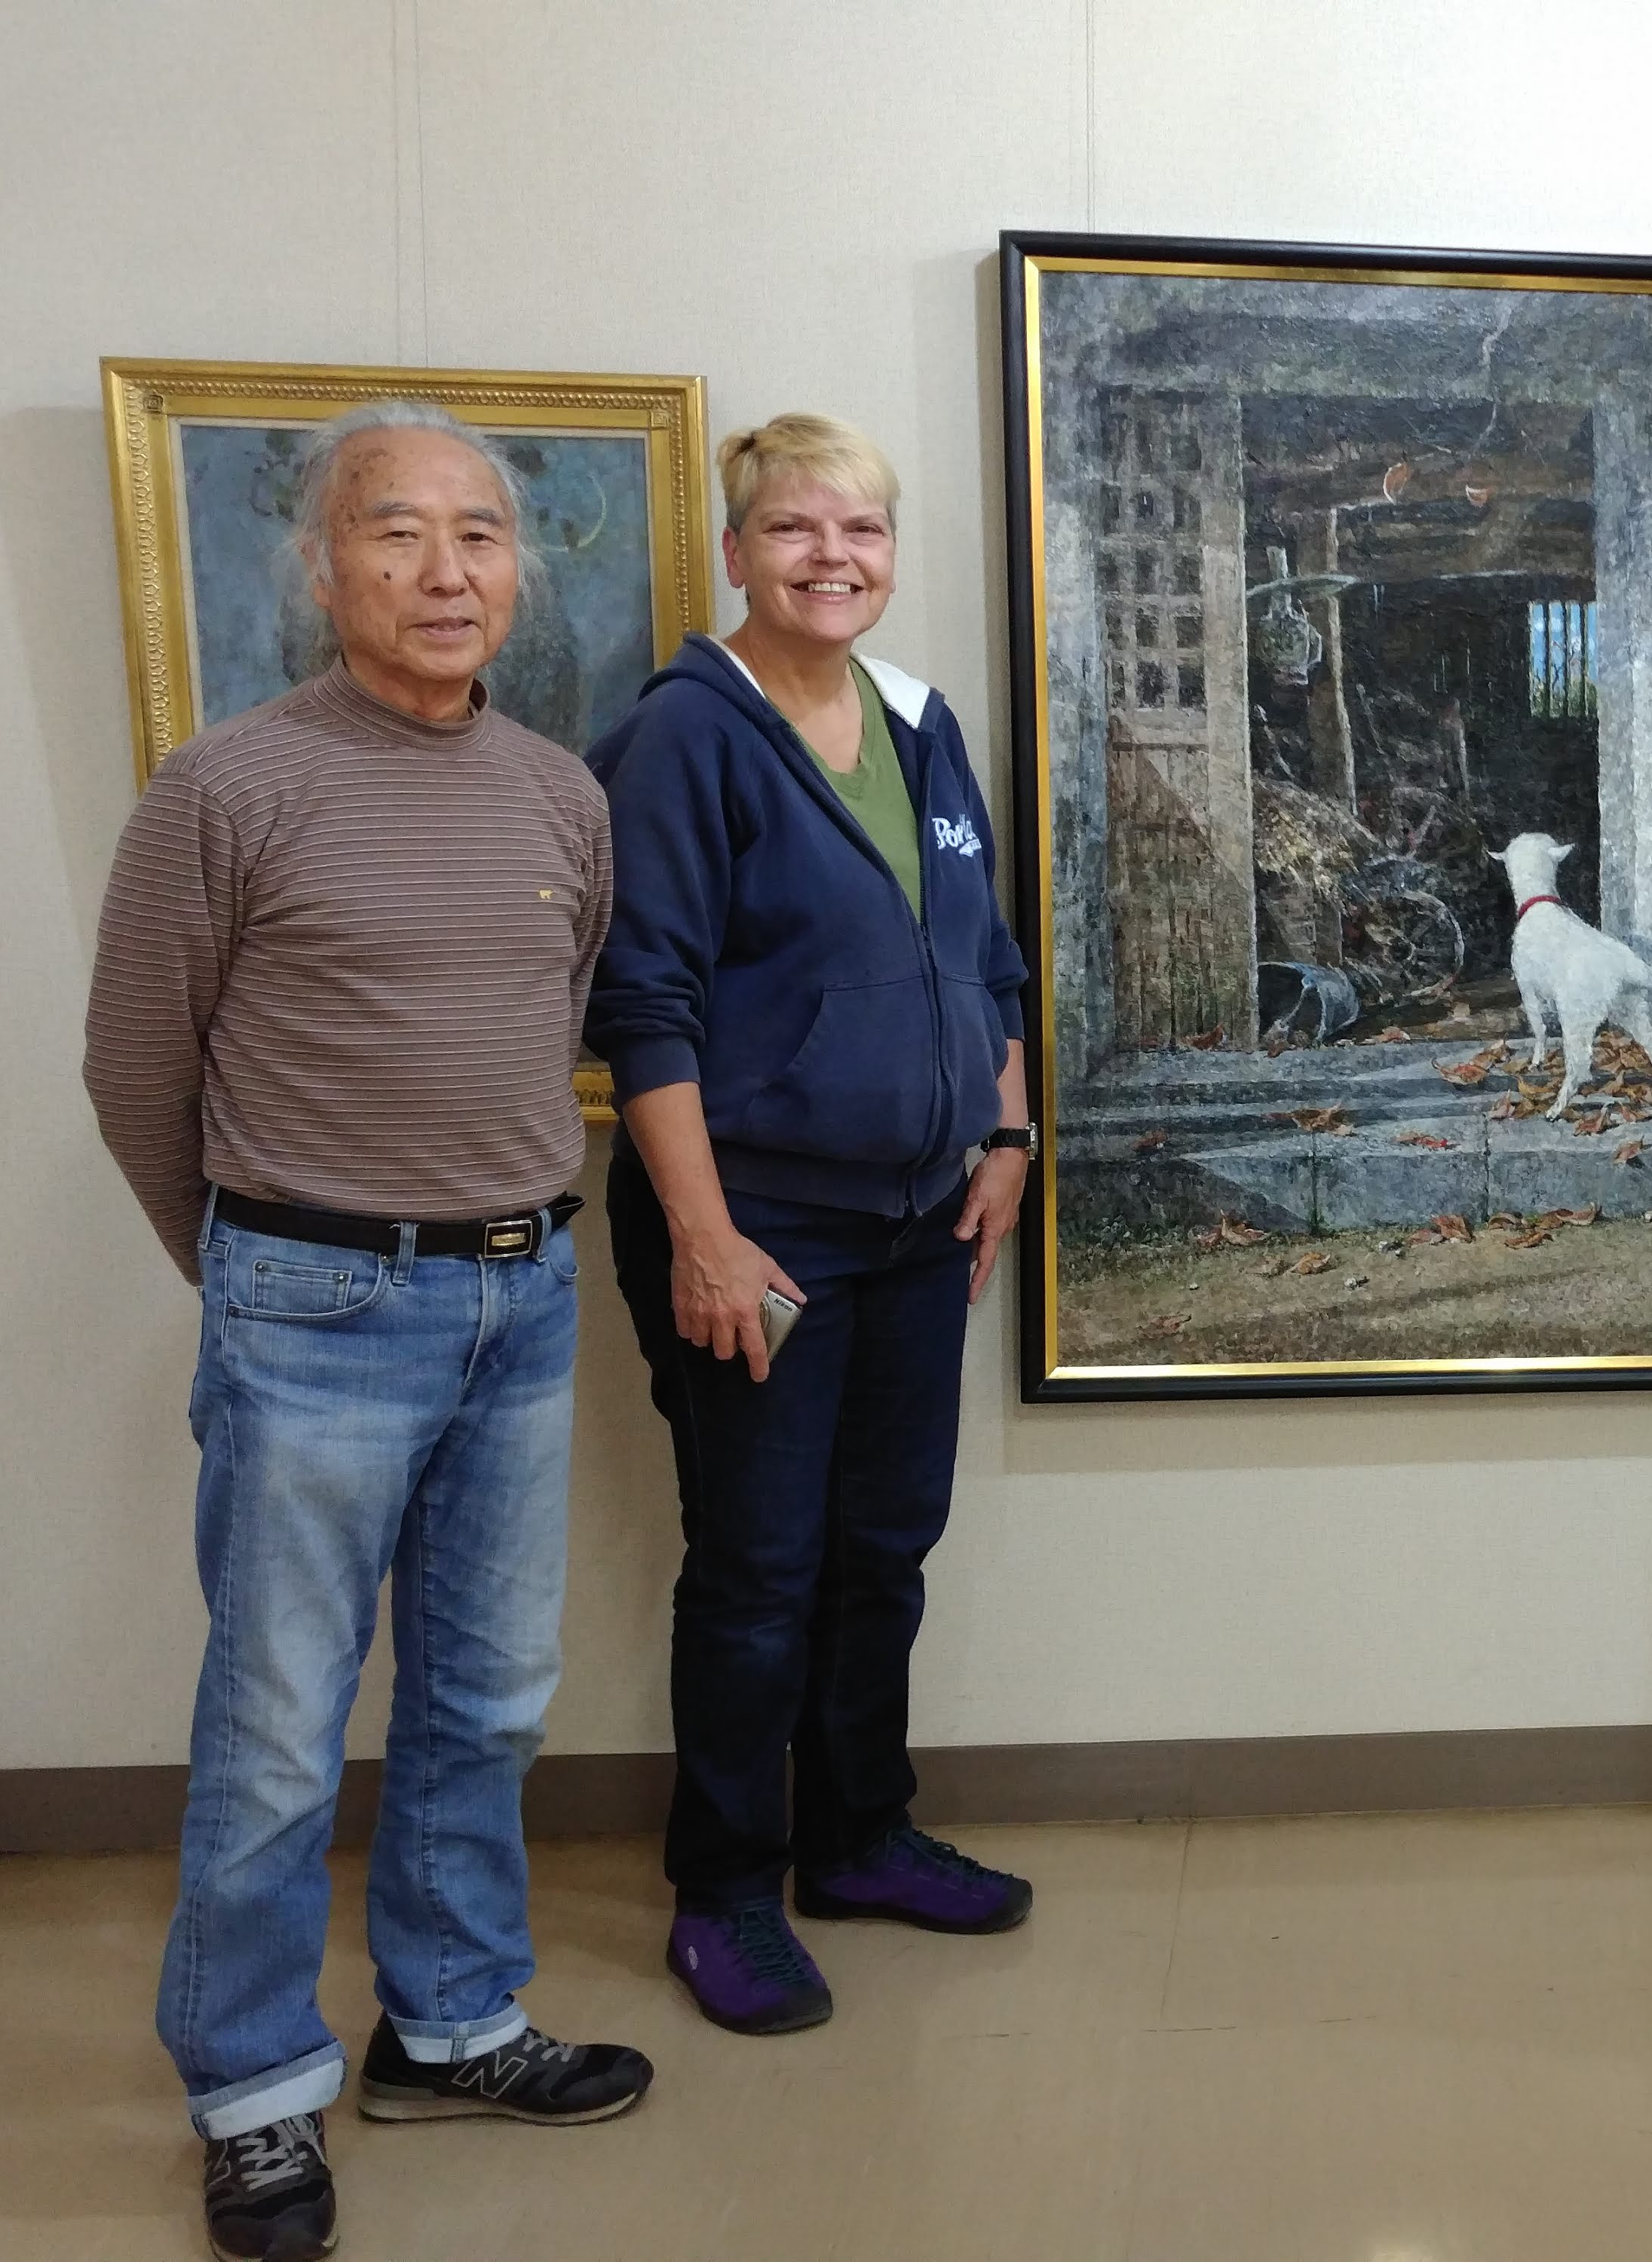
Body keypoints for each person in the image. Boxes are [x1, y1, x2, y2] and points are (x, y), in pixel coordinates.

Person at [85, 400, 653, 2262]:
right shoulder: (226, 789)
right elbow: (134, 1072)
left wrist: (465, 1258)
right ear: (321, 568)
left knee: (487, 1697)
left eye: (479, 535)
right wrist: (255, 1272)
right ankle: (253, 2094)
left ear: (517, 569)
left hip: (521, 1290)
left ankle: (451, 2021)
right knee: (275, 1726)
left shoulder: (562, 795)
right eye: (395, 534)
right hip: (309, 1299)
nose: (443, 571)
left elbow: (547, 1021)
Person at [584, 413, 1037, 2038]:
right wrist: (703, 1238)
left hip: (921, 1228)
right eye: (795, 531)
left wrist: (1008, 1121)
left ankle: (858, 1837)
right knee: (760, 1567)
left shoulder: (919, 726)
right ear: (738, 551)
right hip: (764, 1235)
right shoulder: (685, 737)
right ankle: (725, 1890)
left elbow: (985, 956)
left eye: (861, 532)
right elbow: (641, 1003)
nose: (832, 559)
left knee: (881, 1552)